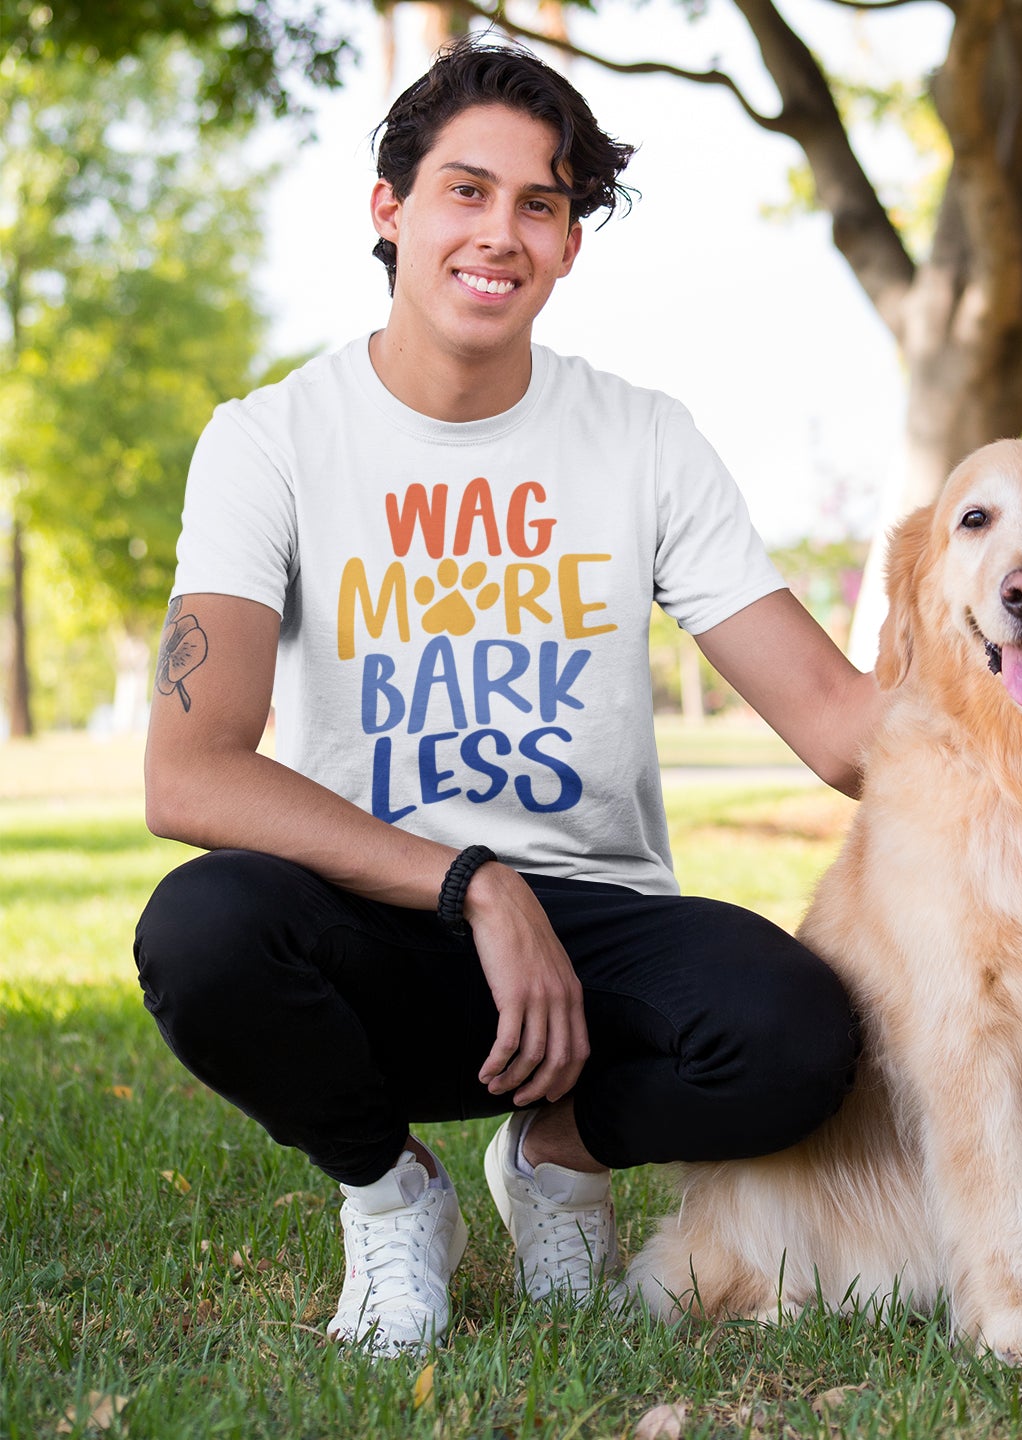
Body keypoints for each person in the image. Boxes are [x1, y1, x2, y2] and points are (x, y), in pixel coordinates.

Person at [134, 35, 882, 1357]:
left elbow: (836, 722)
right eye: (466, 191)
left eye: (542, 203)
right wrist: (475, 881)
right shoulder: (270, 440)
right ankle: (391, 1190)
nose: (502, 232)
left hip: (595, 939)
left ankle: (558, 1151)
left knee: (800, 1037)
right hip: (374, 913)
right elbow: (189, 773)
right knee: (204, 931)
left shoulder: (643, 438)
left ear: (572, 243)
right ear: (392, 211)